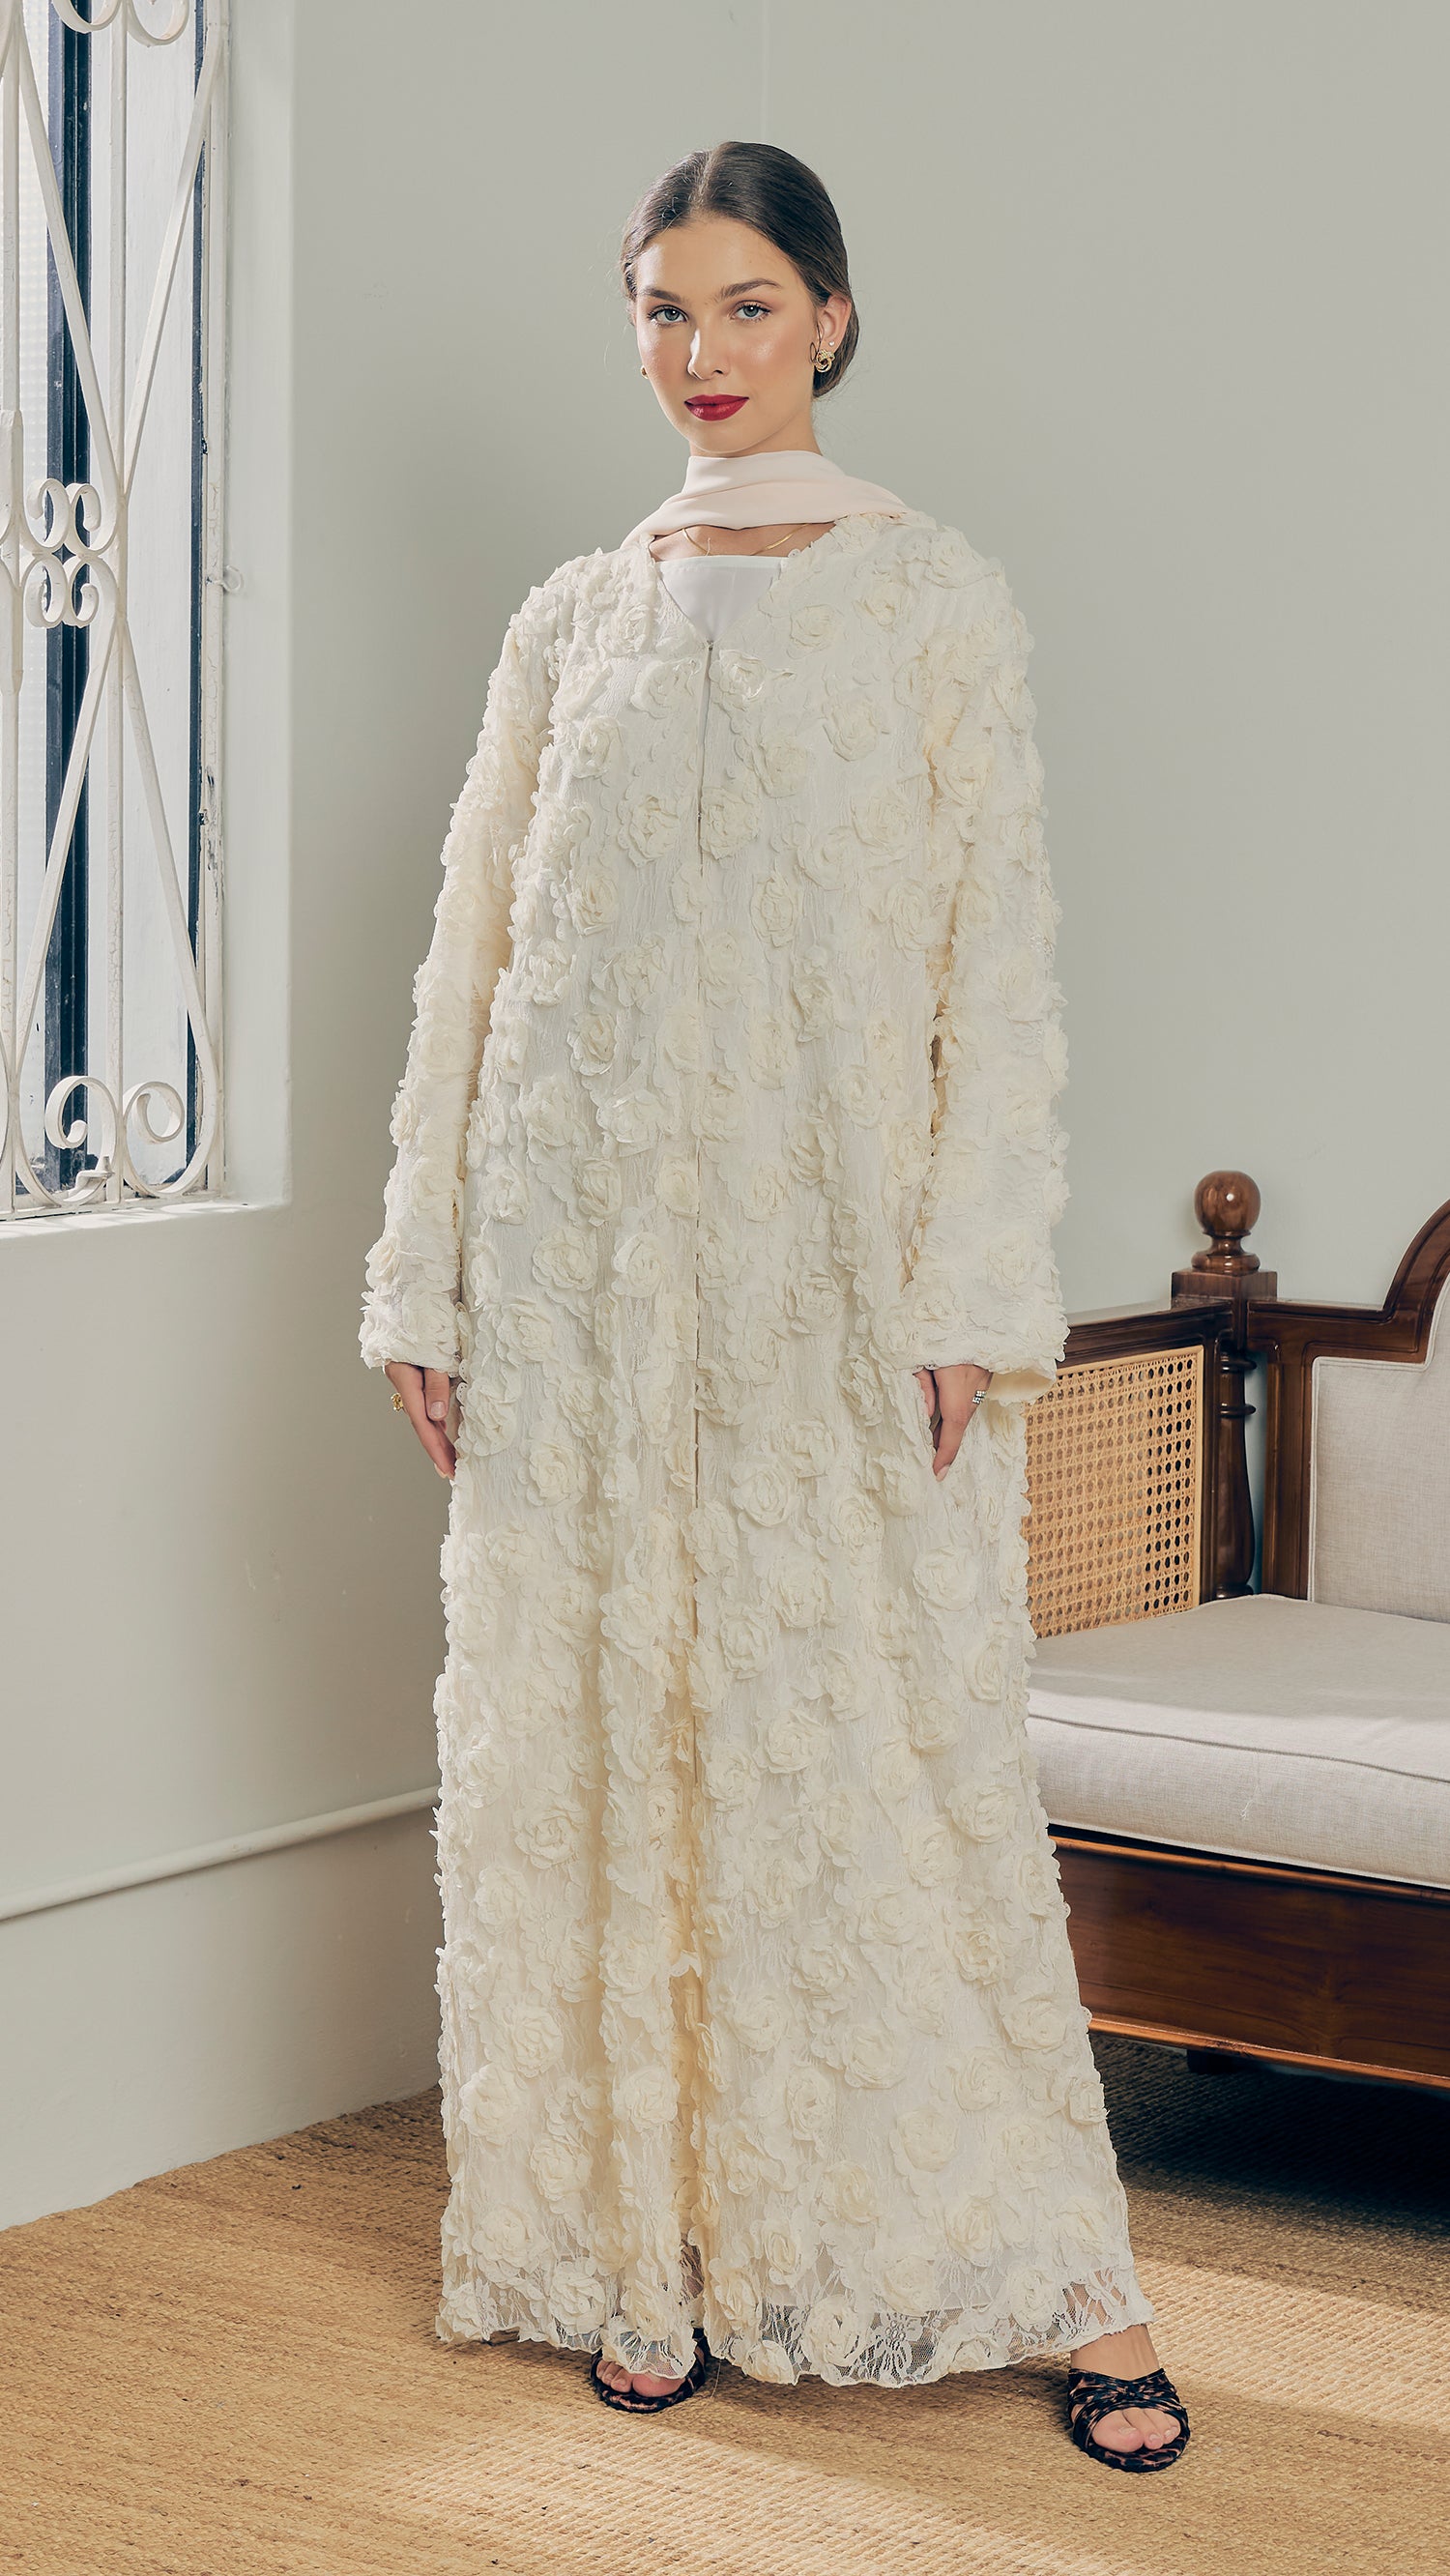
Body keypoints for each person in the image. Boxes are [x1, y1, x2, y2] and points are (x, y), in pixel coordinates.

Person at [360, 139, 1190, 2473]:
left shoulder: (935, 602)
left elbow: (995, 970)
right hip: (587, 1288)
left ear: (828, 314)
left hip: (839, 1289)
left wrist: (972, 1294)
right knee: (609, 1749)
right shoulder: (570, 624)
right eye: (661, 308)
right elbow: (474, 961)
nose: (700, 353)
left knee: (888, 1771)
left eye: (743, 305)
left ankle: (1064, 2276)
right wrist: (429, 1271)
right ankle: (648, 2251)